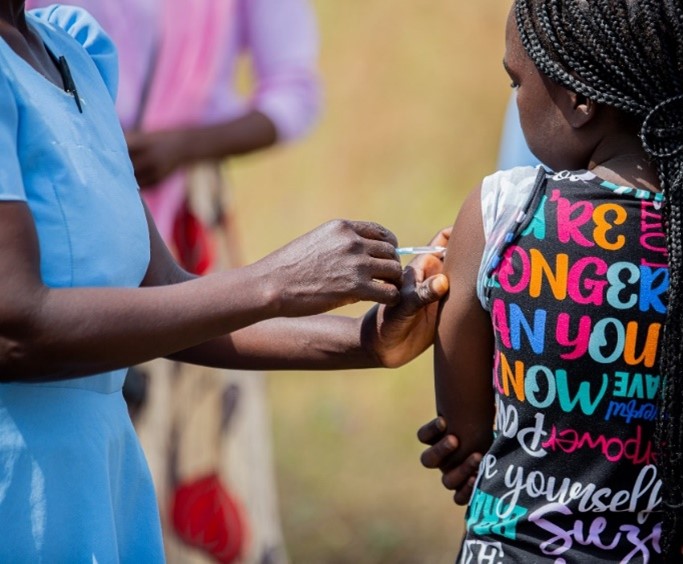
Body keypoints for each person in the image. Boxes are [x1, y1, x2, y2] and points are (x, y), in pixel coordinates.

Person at [0, 3, 448, 562]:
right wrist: (277, 279)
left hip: (101, 481)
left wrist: (369, 340)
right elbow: (15, 331)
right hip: (22, 489)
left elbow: (163, 296)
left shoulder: (73, 53)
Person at [430, 0, 683, 561]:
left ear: (580, 99)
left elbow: (463, 443)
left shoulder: (505, 215)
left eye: (516, 80)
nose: (515, 98)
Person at [23, 0, 323, 560]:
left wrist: (183, 145)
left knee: (192, 446)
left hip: (179, 223)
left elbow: (294, 91)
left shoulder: (83, 55)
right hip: (54, 221)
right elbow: (24, 326)